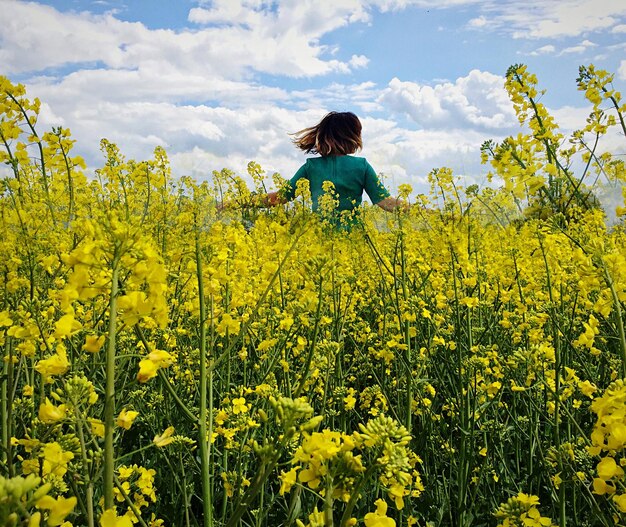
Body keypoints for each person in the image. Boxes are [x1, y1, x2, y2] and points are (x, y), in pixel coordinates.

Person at [260, 111, 408, 220]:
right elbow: (385, 202)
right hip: (352, 240)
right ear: (352, 136)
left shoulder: (311, 166)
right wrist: (422, 212)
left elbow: (280, 197)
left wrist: (245, 201)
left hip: (318, 238)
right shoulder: (361, 166)